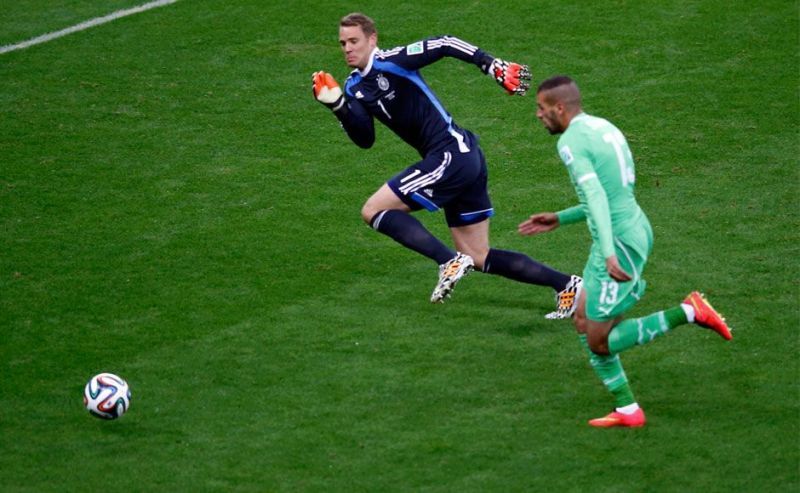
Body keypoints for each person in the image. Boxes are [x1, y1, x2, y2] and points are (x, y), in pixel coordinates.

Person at [311, 12, 581, 317]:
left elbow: (445, 43)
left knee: (373, 210)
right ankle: (566, 285)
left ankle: (447, 261)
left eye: (354, 41)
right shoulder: (353, 87)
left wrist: (489, 64)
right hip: (463, 158)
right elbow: (365, 138)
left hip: (451, 155)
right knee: (477, 255)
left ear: (372, 40)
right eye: (343, 43)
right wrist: (337, 106)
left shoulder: (392, 60)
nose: (347, 48)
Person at [519, 75, 732, 427]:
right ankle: (628, 411)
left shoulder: (570, 142)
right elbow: (611, 192)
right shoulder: (601, 126)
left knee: (599, 342)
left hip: (618, 242)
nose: (538, 115)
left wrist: (607, 252)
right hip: (628, 228)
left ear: (559, 107)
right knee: (583, 318)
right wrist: (561, 217)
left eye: (541, 108)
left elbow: (599, 198)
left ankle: (688, 312)